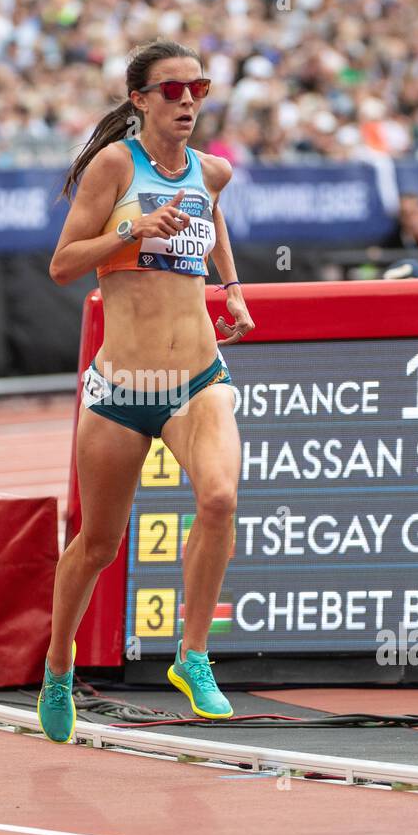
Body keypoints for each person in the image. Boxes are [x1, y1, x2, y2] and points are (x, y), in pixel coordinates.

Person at [38, 38, 256, 743]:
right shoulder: (113, 166)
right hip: (124, 384)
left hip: (196, 374)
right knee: (99, 541)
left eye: (197, 87)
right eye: (172, 90)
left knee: (219, 498)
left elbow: (211, 210)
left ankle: (192, 655)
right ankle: (59, 661)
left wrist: (231, 288)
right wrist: (131, 230)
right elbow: (63, 265)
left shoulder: (211, 170)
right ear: (140, 100)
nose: (188, 100)